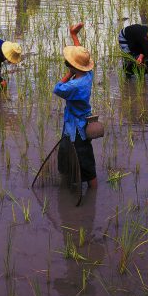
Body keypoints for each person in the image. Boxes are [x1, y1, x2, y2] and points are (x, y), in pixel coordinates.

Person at [53, 23, 97, 191]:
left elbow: (57, 88)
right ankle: (73, 187)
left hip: (76, 130)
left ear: (73, 67)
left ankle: (91, 195)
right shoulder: (88, 76)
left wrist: (69, 73)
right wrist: (74, 36)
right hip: (78, 125)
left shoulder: (73, 86)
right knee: (76, 160)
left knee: (85, 163)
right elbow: (82, 57)